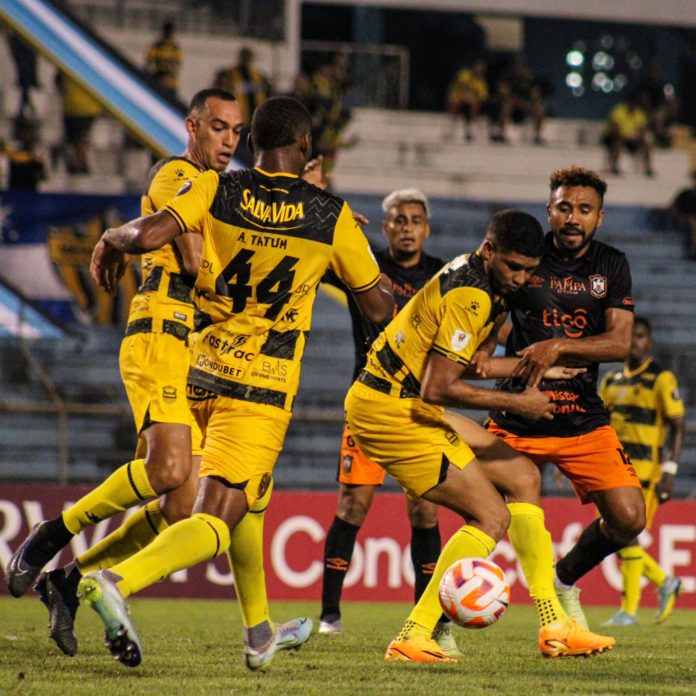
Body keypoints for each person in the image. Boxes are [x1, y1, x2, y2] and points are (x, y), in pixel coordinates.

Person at [77, 95, 393, 668]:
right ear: (304, 148)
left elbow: (148, 235)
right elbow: (376, 306)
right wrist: (346, 260)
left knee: (253, 498)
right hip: (262, 386)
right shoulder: (329, 215)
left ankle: (259, 632)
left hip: (200, 366)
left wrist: (109, 240)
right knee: (219, 512)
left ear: (251, 147)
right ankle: (116, 581)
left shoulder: (215, 187)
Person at [5, 90, 310, 668]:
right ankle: (52, 534)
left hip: (192, 346)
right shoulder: (177, 174)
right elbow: (195, 263)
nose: (228, 141)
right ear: (192, 126)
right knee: (170, 470)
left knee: (180, 510)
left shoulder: (222, 192)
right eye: (217, 127)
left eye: (236, 131)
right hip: (159, 329)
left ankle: (70, 581)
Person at [345, 209, 615, 662]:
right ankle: (413, 634)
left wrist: (540, 365)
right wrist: (519, 401)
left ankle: (554, 626)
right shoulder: (471, 295)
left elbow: (473, 365)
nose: (521, 278)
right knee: (492, 517)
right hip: (387, 410)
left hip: (411, 403)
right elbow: (440, 385)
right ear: (489, 250)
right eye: (514, 267)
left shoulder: (483, 280)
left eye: (530, 270)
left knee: (523, 476)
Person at [485, 165, 645, 630]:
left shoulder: (611, 265)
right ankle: (438, 625)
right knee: (483, 518)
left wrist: (558, 345)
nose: (573, 218)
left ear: (600, 217)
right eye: (564, 208)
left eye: (584, 209)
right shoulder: (525, 258)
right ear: (548, 211)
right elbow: (490, 333)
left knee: (630, 518)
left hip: (581, 418)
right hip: (517, 415)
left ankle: (564, 579)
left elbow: (619, 343)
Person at [319, 189, 455, 647]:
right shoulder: (367, 267)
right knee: (352, 506)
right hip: (371, 402)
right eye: (398, 219)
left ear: (427, 228)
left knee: (424, 508)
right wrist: (317, 195)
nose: (407, 227)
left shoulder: (442, 275)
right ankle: (330, 615)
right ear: (386, 225)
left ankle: (426, 617)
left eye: (416, 219)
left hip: (420, 406)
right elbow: (320, 257)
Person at [599, 316, 684, 626]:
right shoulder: (611, 380)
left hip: (646, 473)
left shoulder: (661, 379)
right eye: (630, 336)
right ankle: (664, 583)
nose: (635, 342)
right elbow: (602, 425)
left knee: (625, 534)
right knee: (618, 536)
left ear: (649, 341)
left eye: (641, 336)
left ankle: (630, 610)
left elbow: (677, 424)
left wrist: (670, 470)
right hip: (615, 469)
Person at [213, 46, 271, 166]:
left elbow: (267, 94)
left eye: (248, 57)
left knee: (252, 151)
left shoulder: (259, 76)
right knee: (236, 150)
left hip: (254, 121)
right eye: (245, 56)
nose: (246, 59)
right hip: (237, 120)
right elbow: (219, 90)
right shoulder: (230, 74)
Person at [55, 73, 102, 174]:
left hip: (80, 108)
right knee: (76, 141)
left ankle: (80, 165)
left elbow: (58, 83)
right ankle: (78, 165)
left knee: (79, 140)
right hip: (77, 109)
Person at [601, 93, 654, 177]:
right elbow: (615, 127)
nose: (633, 105)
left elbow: (641, 129)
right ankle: (614, 166)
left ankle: (648, 168)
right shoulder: (619, 110)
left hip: (631, 139)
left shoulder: (639, 113)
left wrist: (638, 137)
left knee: (645, 142)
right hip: (613, 137)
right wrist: (626, 136)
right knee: (619, 140)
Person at [445, 58, 490, 143]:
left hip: (470, 105)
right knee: (455, 102)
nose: (479, 69)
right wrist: (468, 95)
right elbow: (462, 86)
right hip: (458, 100)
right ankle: (451, 127)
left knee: (475, 104)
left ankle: (470, 129)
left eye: (481, 68)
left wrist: (471, 97)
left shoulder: (481, 82)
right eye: (478, 66)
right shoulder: (464, 74)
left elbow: (483, 97)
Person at [145, 20, 182, 97]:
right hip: (157, 80)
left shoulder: (175, 48)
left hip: (170, 83)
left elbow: (176, 66)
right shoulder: (156, 46)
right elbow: (149, 63)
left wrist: (167, 76)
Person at [668, 171, 696, 260]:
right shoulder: (685, 195)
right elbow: (672, 209)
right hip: (684, 223)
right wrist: (684, 218)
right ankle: (692, 251)